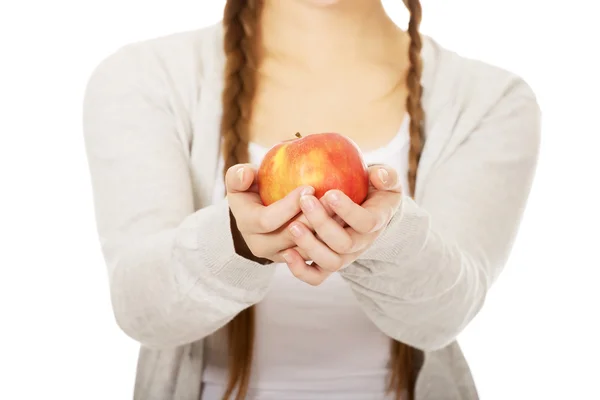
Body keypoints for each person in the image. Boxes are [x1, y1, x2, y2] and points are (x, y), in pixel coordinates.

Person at [82, 0, 540, 399]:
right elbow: (140, 309)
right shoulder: (143, 78)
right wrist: (236, 243)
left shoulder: (491, 100)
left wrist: (384, 236)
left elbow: (443, 317)